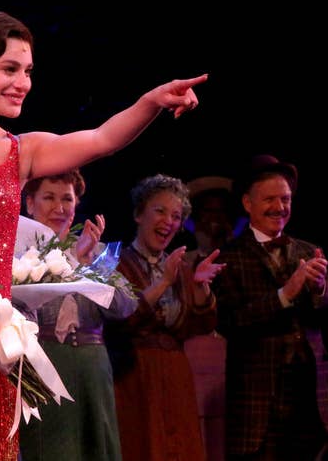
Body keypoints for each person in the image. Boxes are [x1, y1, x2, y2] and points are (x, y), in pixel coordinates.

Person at [0, 9, 207, 460]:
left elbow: (103, 138)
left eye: (28, 71)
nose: (23, 83)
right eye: (9, 69)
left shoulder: (20, 152)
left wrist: (151, 102)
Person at [211, 155, 328, 460]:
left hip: (306, 396)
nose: (279, 207)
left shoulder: (306, 250)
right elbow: (230, 322)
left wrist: (319, 290)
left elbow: (318, 316)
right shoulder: (227, 257)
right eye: (270, 199)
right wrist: (285, 294)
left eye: (286, 199)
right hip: (256, 400)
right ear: (248, 203)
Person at [18, 169, 137, 461]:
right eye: (49, 198)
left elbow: (126, 305)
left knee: (94, 445)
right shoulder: (17, 252)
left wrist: (88, 266)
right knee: (49, 446)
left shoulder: (96, 251)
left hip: (90, 364)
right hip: (42, 361)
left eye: (67, 199)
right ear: (30, 203)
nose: (59, 208)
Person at [103, 173, 223, 461]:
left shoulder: (179, 267)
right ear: (138, 214)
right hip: (135, 375)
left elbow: (202, 325)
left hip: (176, 374)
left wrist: (199, 287)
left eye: (176, 215)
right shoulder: (115, 262)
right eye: (160, 211)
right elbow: (124, 318)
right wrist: (164, 283)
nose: (169, 221)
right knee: (142, 446)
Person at [182, 175, 240, 461]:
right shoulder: (180, 263)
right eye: (207, 212)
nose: (214, 221)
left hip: (235, 364)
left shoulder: (241, 260)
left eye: (221, 212)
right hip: (193, 366)